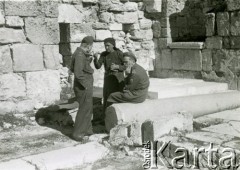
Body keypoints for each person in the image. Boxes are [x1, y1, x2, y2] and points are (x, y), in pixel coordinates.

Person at [93, 38, 125, 122]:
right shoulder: (104, 54)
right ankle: (106, 119)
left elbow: (126, 66)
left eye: (108, 45)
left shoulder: (119, 54)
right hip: (108, 79)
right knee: (107, 97)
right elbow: (98, 66)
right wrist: (95, 58)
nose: (106, 47)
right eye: (105, 46)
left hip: (118, 79)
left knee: (117, 97)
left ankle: (118, 118)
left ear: (113, 45)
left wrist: (117, 67)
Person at [70, 36, 94, 141]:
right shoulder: (80, 55)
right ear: (88, 46)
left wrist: (88, 59)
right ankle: (78, 134)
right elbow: (78, 74)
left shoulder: (81, 54)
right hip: (83, 87)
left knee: (88, 108)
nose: (91, 49)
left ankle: (87, 130)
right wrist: (86, 85)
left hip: (85, 85)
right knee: (84, 109)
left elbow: (80, 68)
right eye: (91, 46)